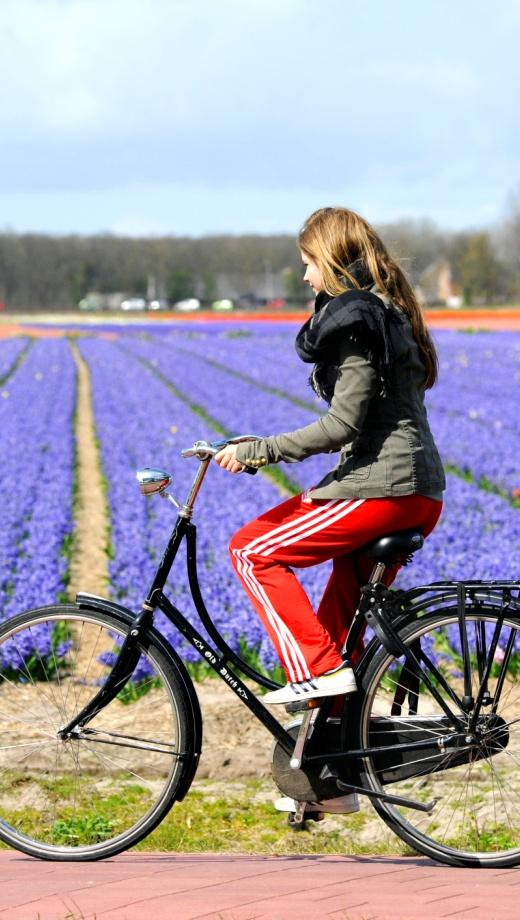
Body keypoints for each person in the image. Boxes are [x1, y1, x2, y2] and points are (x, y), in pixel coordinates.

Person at [214, 206, 445, 814]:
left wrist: (259, 450)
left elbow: (343, 423)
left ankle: (315, 673)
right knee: (340, 619)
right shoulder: (389, 310)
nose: (306, 278)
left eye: (309, 264)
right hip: (417, 495)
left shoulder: (355, 321)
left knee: (251, 549)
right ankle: (329, 781)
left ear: (334, 261)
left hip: (382, 489)